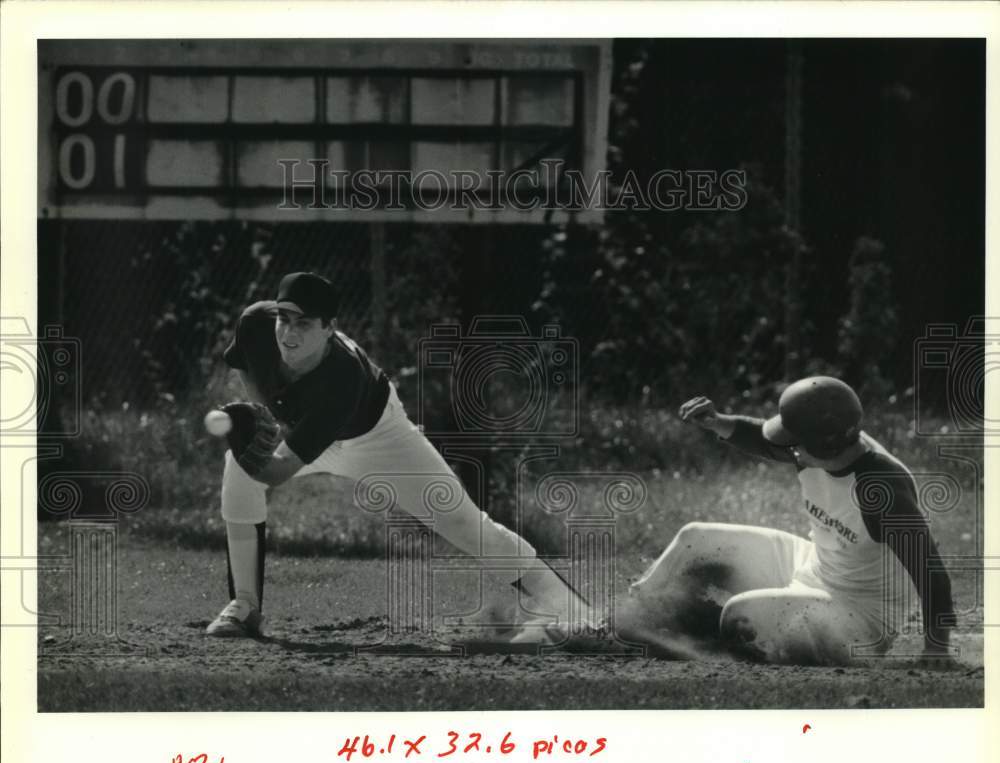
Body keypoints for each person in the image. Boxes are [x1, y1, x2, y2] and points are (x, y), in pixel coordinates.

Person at [206, 272, 588, 639]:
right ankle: (244, 606)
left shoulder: (341, 377)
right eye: (284, 319)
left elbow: (276, 473)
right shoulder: (257, 323)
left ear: (329, 328)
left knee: (462, 522)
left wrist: (242, 443)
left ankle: (577, 614)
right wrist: (258, 418)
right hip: (308, 430)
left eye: (303, 323)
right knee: (237, 474)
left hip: (379, 438)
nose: (288, 332)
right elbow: (247, 368)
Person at [623, 376, 956, 666]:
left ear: (825, 443)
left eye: (794, 442)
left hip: (861, 617)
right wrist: (717, 422)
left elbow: (930, 571)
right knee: (693, 537)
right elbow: (763, 440)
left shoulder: (881, 491)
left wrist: (937, 648)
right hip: (812, 565)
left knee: (741, 615)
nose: (788, 450)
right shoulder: (820, 450)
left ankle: (680, 637)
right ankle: (627, 619)